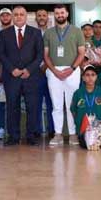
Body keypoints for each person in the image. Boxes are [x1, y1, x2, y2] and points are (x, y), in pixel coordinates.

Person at [0, 6, 43, 146]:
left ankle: (31, 136)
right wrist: (12, 70)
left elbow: (40, 54)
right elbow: (1, 54)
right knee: (12, 106)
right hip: (11, 76)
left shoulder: (35, 32)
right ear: (12, 17)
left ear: (26, 16)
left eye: (21, 14)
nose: (18, 17)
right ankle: (13, 136)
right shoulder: (4, 33)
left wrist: (28, 70)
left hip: (31, 76)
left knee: (32, 106)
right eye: (15, 14)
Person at [43, 4, 85, 146]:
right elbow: (46, 55)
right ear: (54, 15)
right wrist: (54, 70)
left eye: (62, 12)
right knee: (57, 105)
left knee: (71, 104)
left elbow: (81, 53)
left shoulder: (77, 31)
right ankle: (58, 134)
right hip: (53, 71)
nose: (59, 15)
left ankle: (72, 134)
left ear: (67, 14)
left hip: (72, 71)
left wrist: (72, 68)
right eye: (57, 13)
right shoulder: (48, 33)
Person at [70, 65, 101, 148]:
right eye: (87, 75)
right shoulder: (78, 93)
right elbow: (73, 110)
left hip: (98, 129)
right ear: (83, 78)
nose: (90, 77)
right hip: (83, 129)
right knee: (85, 145)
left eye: (93, 75)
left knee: (98, 145)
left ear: (96, 77)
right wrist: (79, 122)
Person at [35, 8, 54, 138]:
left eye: (44, 15)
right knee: (35, 102)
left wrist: (47, 65)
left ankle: (52, 130)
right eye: (39, 15)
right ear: (36, 18)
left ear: (48, 18)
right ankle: (36, 130)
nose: (41, 17)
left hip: (51, 70)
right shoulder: (31, 33)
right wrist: (37, 65)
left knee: (52, 101)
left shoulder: (53, 33)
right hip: (35, 72)